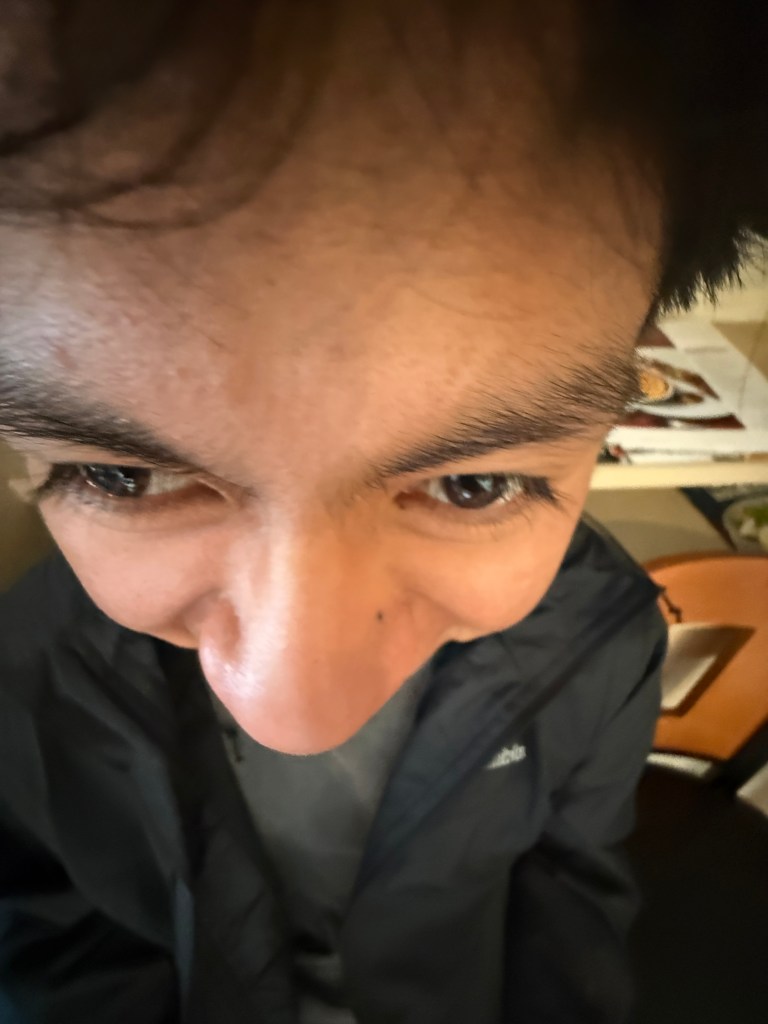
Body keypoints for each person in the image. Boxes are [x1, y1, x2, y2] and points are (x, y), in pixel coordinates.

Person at [0, 2, 765, 1021]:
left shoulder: (606, 636)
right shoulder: (25, 672)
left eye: (471, 485)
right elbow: (53, 930)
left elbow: (573, 890)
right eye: (122, 477)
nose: (296, 713)